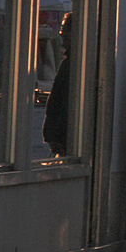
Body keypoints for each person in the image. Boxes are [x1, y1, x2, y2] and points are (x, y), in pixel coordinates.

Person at [42, 13, 73, 157]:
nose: (62, 35)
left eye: (66, 30)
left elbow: (63, 102)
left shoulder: (71, 64)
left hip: (64, 136)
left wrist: (56, 135)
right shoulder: (70, 62)